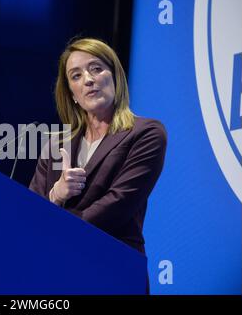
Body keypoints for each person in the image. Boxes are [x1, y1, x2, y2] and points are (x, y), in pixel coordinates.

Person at [29, 38, 167, 284]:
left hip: (111, 269)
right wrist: (56, 195)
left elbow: (118, 203)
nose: (88, 80)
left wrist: (56, 231)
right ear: (71, 94)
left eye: (96, 68)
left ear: (114, 76)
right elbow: (29, 212)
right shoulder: (55, 147)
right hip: (56, 273)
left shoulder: (146, 133)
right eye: (76, 75)